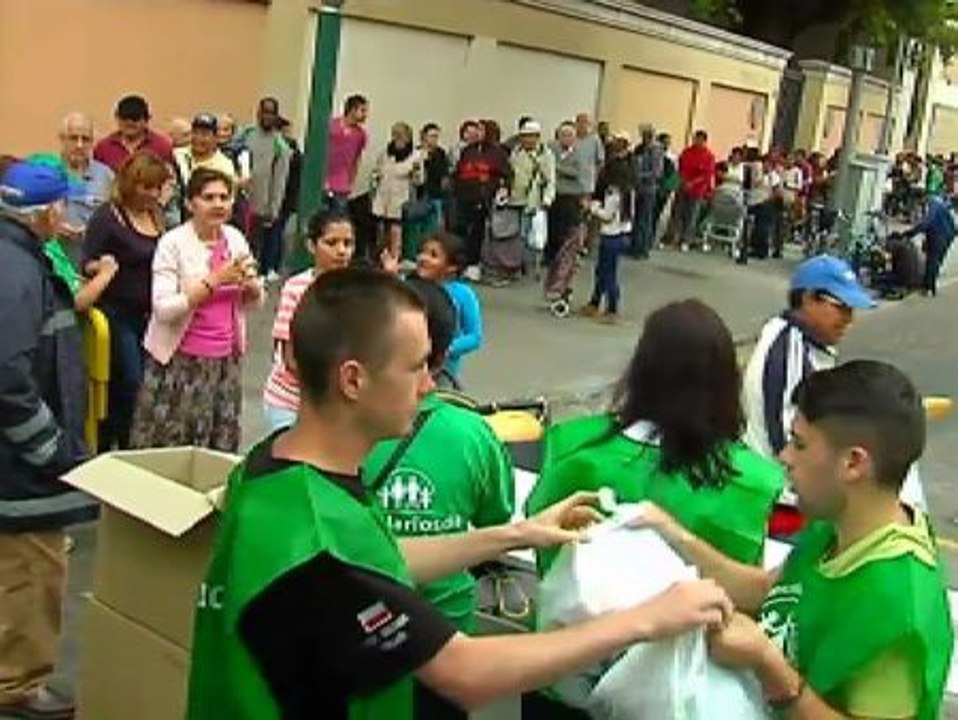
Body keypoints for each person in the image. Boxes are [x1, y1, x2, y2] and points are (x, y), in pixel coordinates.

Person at [185, 267, 734, 720]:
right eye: (416, 365)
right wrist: (649, 618)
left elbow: (377, 564)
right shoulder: (322, 545)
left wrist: (515, 534)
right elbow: (466, 673)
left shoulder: (273, 468)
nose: (429, 385)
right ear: (353, 380)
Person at [642, 360, 953, 720]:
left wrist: (768, 665)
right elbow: (767, 590)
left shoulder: (897, 606)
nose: (784, 457)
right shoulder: (838, 524)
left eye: (800, 444)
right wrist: (670, 533)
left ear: (853, 464)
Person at [525, 299, 784, 716]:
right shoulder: (753, 481)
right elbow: (746, 595)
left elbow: (544, 547)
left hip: (565, 669)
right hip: (676, 690)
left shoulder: (574, 447)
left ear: (641, 368)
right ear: (724, 381)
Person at [362, 275, 512, 720]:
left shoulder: (344, 425)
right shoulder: (475, 435)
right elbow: (496, 520)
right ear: (443, 356)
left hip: (359, 629)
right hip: (445, 637)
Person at [0, 160, 99, 720]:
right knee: (32, 574)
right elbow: (8, 375)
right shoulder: (17, 272)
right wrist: (47, 448)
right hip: (19, 468)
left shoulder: (15, 256)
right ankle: (17, 686)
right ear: (48, 211)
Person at [130, 168, 264, 452]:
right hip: (182, 360)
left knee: (216, 441)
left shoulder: (235, 238)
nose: (218, 204)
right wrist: (214, 281)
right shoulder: (173, 243)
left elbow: (253, 300)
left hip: (225, 360)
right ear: (190, 204)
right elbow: (164, 308)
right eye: (209, 197)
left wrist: (252, 287)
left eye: (225, 197)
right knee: (173, 439)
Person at [743, 255, 875, 460]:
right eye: (841, 308)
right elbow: (784, 438)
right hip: (777, 478)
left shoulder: (806, 340)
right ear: (808, 298)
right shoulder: (789, 350)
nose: (849, 319)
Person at [82, 151, 170, 451]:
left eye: (158, 188)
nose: (152, 194)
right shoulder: (108, 217)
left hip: (151, 315)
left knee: (147, 385)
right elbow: (86, 261)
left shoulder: (157, 217)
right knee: (129, 381)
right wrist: (104, 268)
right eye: (147, 187)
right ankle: (113, 445)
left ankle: (134, 441)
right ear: (131, 184)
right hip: (116, 313)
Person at [262, 209, 356, 431]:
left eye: (348, 243)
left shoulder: (358, 290)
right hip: (290, 405)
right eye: (331, 242)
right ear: (312, 245)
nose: (341, 251)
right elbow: (290, 358)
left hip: (338, 408)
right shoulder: (296, 288)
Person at [414, 231, 482, 385]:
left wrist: (445, 348)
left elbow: (474, 337)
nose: (423, 258)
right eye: (422, 252)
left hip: (443, 372)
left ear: (451, 267)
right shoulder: (410, 286)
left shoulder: (463, 294)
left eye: (433, 255)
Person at [581, 134, 634, 324]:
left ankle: (612, 308)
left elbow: (607, 215)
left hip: (611, 235)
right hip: (622, 234)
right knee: (603, 271)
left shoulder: (614, 194)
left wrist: (592, 207)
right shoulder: (628, 192)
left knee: (608, 273)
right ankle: (595, 303)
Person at [452, 119, 511, 280]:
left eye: (481, 130)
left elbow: (505, 175)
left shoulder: (498, 153)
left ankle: (475, 264)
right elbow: (459, 172)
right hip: (464, 197)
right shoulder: (468, 151)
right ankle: (461, 263)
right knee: (462, 231)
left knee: (477, 232)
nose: (477, 133)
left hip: (484, 198)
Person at [244, 97, 291, 273]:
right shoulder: (246, 136)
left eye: (271, 113)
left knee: (255, 250)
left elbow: (280, 181)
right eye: (264, 112)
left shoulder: (281, 146)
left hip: (262, 207)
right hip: (242, 203)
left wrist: (273, 210)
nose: (267, 117)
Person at [58, 113, 114, 253]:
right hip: (56, 260)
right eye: (73, 138)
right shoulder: (47, 172)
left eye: (86, 139)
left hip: (93, 258)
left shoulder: (106, 175)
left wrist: (93, 229)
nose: (79, 145)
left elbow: (116, 217)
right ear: (62, 139)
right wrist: (54, 226)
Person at [372, 122, 424, 261]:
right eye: (395, 135)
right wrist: (375, 181)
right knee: (381, 227)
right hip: (383, 194)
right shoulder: (385, 152)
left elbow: (419, 181)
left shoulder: (416, 155)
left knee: (396, 228)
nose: (397, 138)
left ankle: (395, 257)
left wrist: (415, 173)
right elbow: (377, 171)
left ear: (408, 137)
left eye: (401, 135)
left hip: (401, 195)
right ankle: (381, 256)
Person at [172, 113, 237, 219]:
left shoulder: (224, 166)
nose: (198, 138)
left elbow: (227, 204)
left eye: (204, 134)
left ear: (215, 138)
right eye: (195, 133)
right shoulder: (177, 155)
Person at [93, 94, 173, 171]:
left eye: (135, 119)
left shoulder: (162, 146)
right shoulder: (103, 147)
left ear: (147, 119)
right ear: (117, 117)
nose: (129, 123)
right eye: (124, 118)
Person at [898, 191, 956, 296]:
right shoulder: (935, 202)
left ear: (921, 198)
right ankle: (929, 283)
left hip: (941, 234)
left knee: (933, 260)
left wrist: (909, 233)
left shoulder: (932, 204)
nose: (916, 205)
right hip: (945, 233)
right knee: (935, 259)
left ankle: (929, 287)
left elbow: (926, 223)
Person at [671, 130, 716, 251]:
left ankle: (687, 240)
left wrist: (693, 183)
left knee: (692, 215)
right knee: (677, 213)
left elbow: (707, 174)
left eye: (699, 139)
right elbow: (680, 168)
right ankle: (674, 237)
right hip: (682, 186)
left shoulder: (708, 156)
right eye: (695, 139)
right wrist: (682, 182)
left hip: (697, 190)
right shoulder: (687, 152)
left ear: (704, 141)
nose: (697, 141)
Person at [326, 94, 370, 212]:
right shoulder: (331, 126)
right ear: (352, 109)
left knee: (338, 218)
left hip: (342, 184)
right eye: (362, 110)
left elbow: (356, 159)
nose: (366, 115)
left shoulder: (361, 135)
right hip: (323, 180)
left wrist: (351, 182)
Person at [630, 124, 664, 259]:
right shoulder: (639, 148)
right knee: (637, 218)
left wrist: (640, 175)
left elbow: (657, 172)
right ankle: (635, 246)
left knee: (645, 219)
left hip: (649, 188)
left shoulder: (655, 149)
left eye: (645, 134)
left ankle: (643, 248)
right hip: (638, 188)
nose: (643, 136)